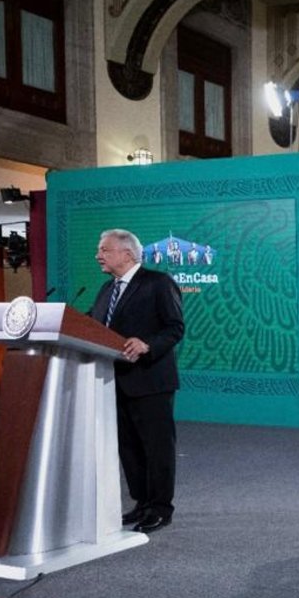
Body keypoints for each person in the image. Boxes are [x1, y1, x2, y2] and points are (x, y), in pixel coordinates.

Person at [90, 229, 185, 534]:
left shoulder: (158, 283)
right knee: (129, 449)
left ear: (127, 254)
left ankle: (160, 508)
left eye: (105, 250)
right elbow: (91, 325)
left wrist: (147, 345)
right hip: (113, 381)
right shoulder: (106, 289)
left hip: (150, 380)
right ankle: (142, 503)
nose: (98, 255)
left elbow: (174, 328)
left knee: (156, 448)